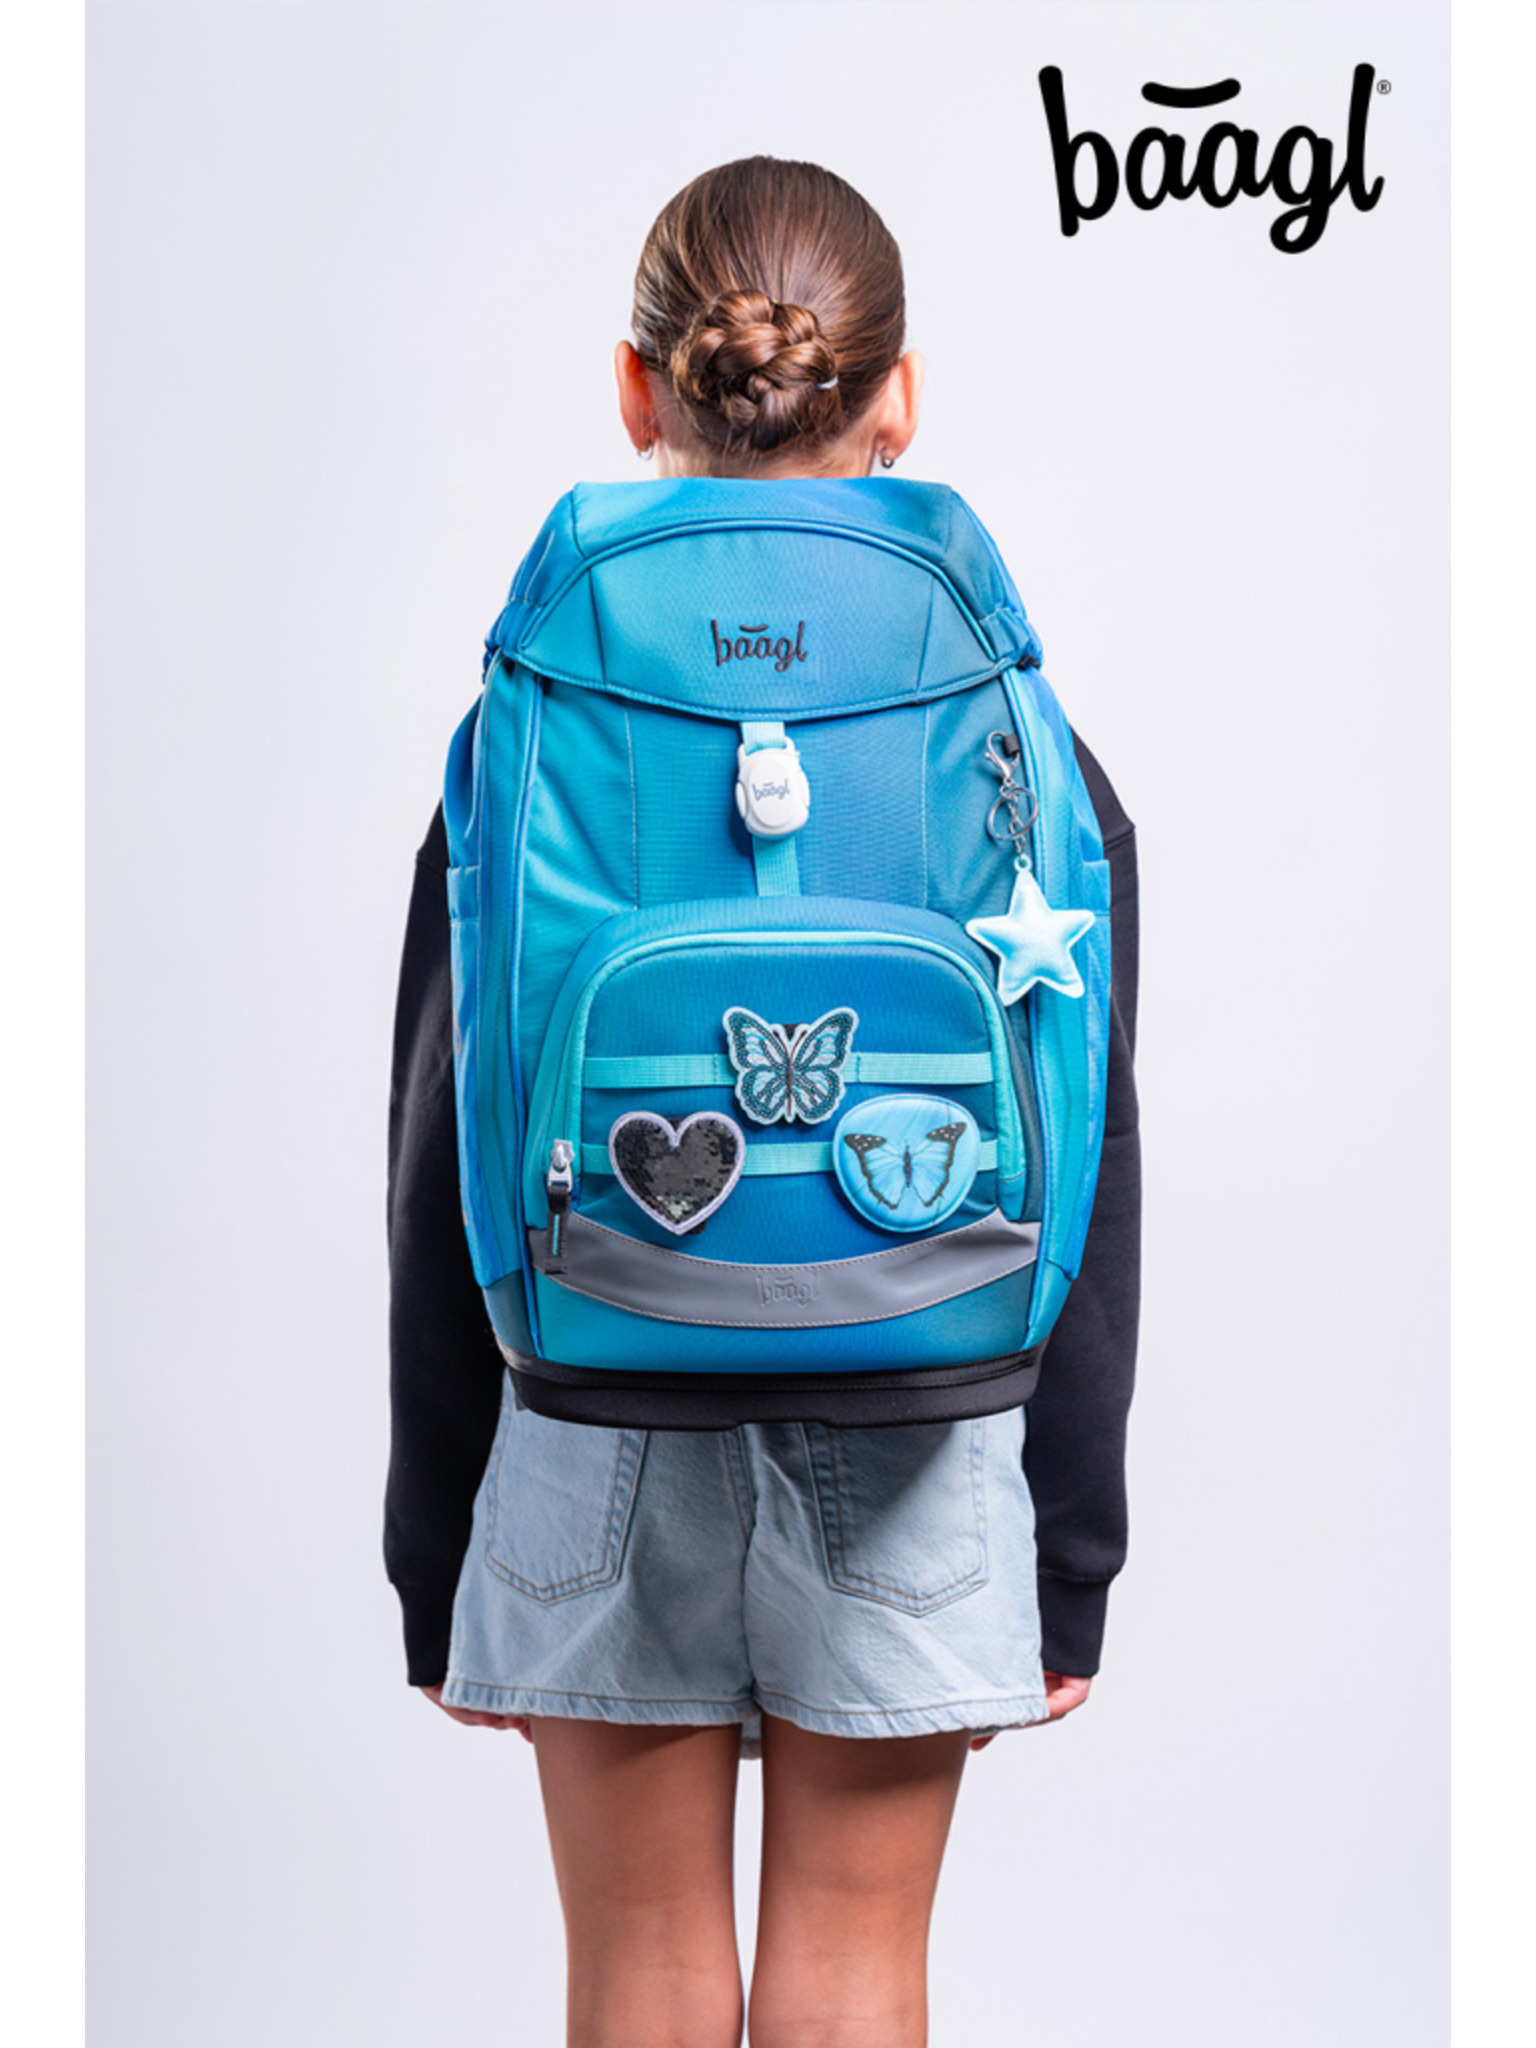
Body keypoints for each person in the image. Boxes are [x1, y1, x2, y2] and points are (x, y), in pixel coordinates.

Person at [386, 156, 1140, 2048]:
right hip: (927, 1378)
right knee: (857, 1978)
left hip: (591, 1383)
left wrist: (436, 1536)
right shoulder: (1011, 712)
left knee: (636, 1978)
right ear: (902, 399)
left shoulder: (529, 710)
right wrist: (1070, 1550)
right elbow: (1092, 1134)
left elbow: (443, 1125)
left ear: (636, 389)